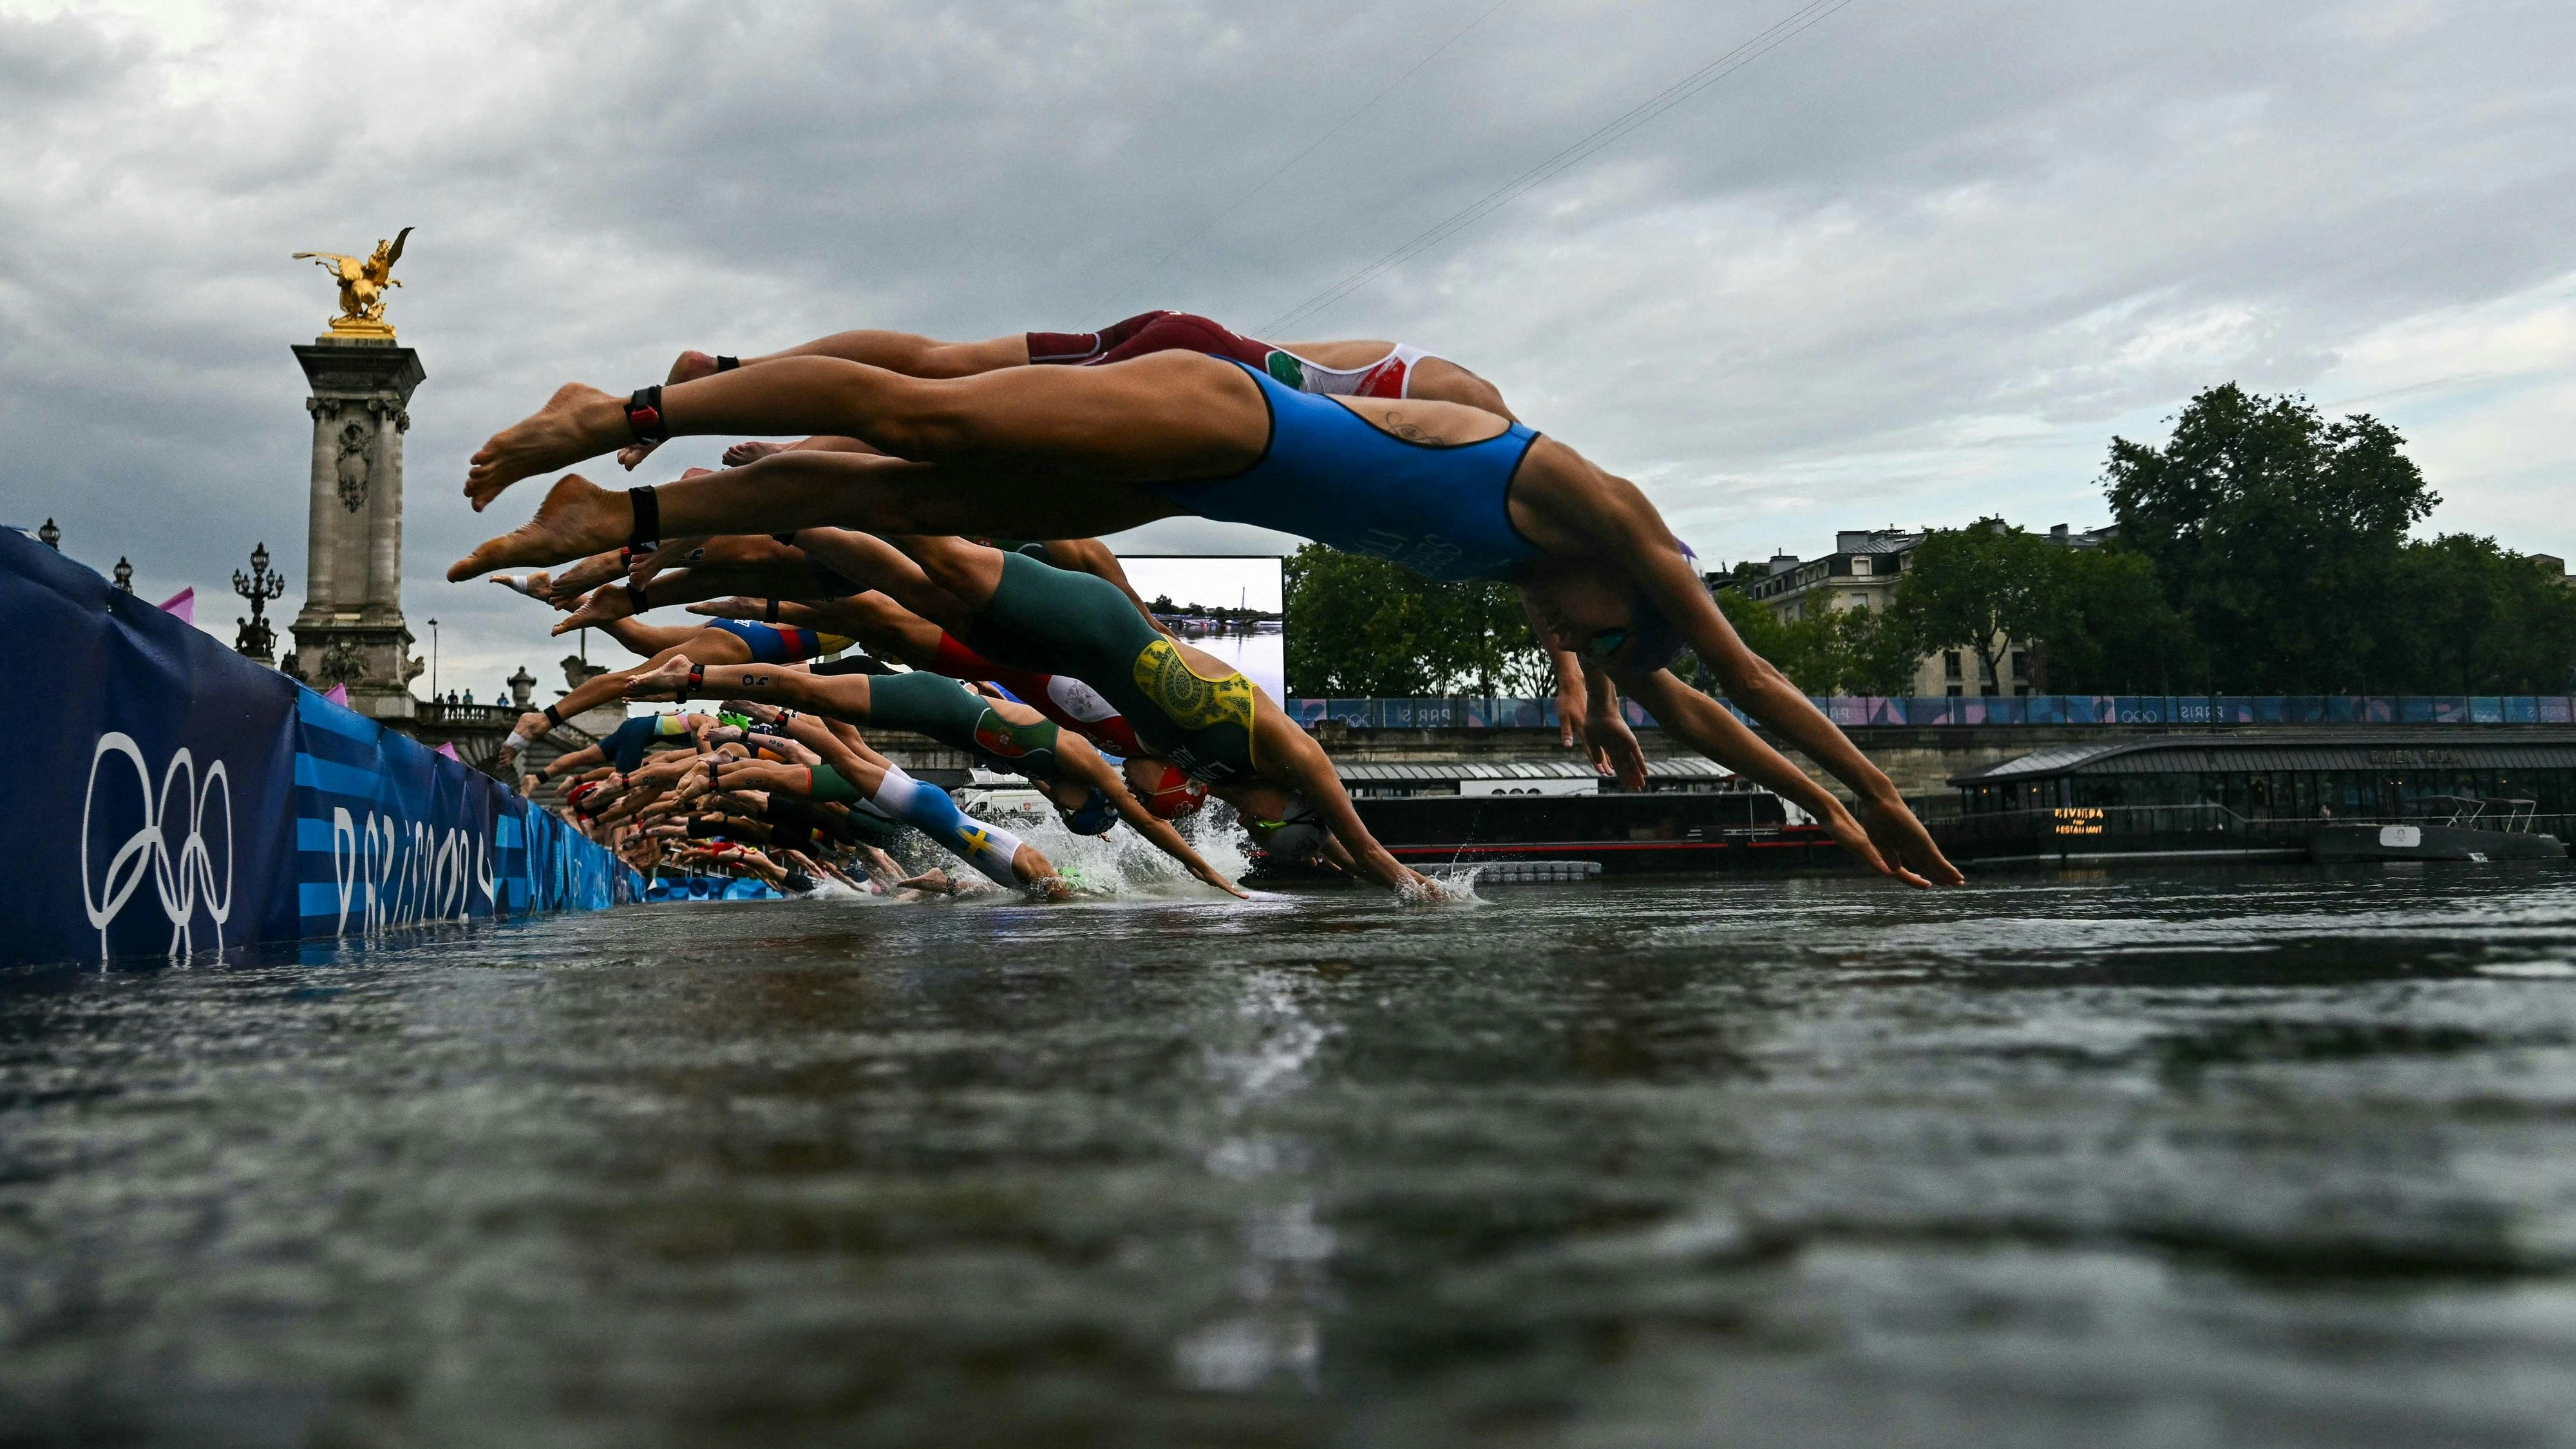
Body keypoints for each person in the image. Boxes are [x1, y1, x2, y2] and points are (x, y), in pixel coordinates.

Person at [454, 343, 1958, 887]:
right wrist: (1878, 787)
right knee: (925, 427)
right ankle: (624, 419)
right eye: (1610, 646)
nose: (1603, 659)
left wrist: (1823, 816)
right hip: (1229, 411)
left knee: (911, 492)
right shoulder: (1599, 510)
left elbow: (1705, 706)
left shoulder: (1573, 600)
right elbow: (1747, 669)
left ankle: (633, 514)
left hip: (1217, 467)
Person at [623, 655, 1249, 899]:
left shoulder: (1054, 774)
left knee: (834, 742)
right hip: (939, 710)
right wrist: (1212, 876)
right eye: (1073, 813)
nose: (1061, 812)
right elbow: (1142, 816)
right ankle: (702, 680)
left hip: (942, 753)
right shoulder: (1082, 762)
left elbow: (1110, 807)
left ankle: (737, 723)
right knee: (821, 721)